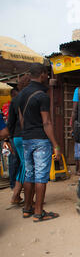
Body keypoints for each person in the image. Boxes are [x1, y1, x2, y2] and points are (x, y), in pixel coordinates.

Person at [18, 63, 60, 222]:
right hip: (40, 140)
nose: (48, 76)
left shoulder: (22, 95)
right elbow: (47, 122)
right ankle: (39, 212)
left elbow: (22, 120)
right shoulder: (42, 96)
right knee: (41, 177)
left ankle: (27, 209)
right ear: (42, 74)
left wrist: (27, 133)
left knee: (29, 174)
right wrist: (56, 144)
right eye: (46, 74)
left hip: (26, 139)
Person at [7, 74, 32, 206]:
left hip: (16, 137)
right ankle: (16, 195)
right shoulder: (30, 98)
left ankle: (18, 195)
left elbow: (10, 123)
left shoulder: (15, 100)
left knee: (24, 164)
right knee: (25, 166)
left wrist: (10, 139)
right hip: (25, 136)